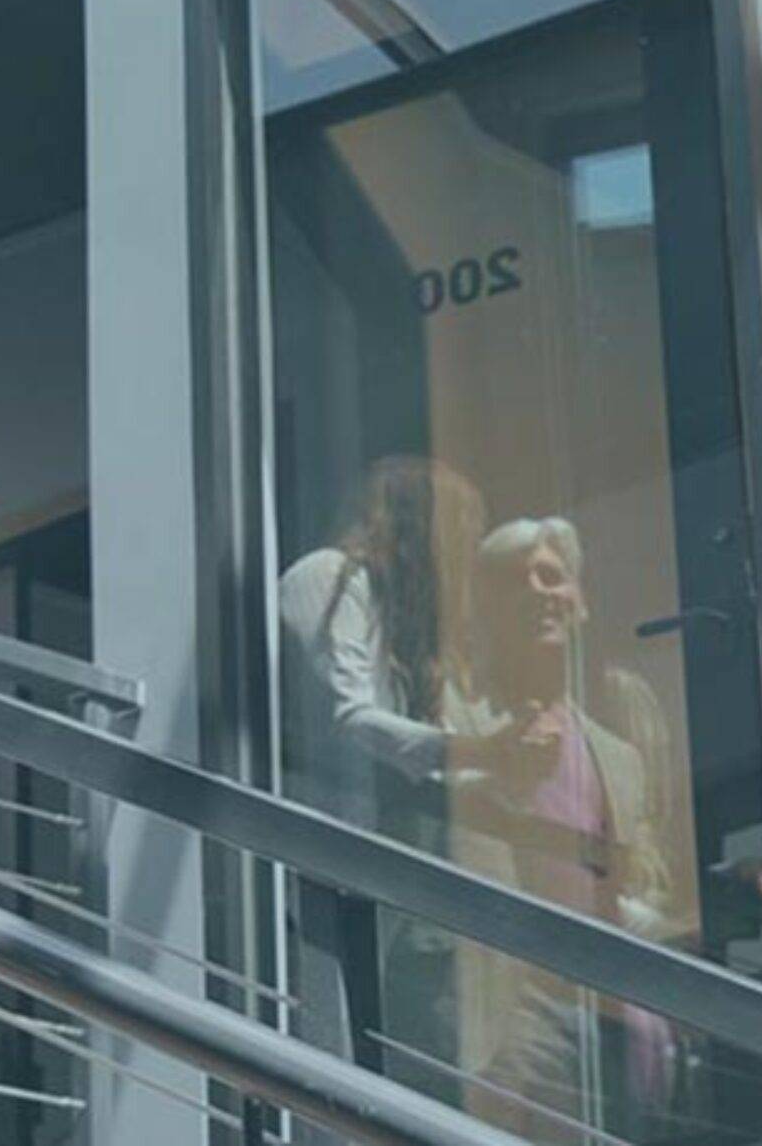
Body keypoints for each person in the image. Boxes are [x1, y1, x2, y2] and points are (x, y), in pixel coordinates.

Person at [279, 458, 553, 1137]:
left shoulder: (397, 619)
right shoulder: (331, 577)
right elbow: (351, 718)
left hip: (394, 888)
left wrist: (499, 776)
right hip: (335, 868)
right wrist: (478, 751)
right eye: (464, 537)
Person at [466, 517, 679, 1143]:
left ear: (580, 602)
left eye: (552, 576)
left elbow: (643, 885)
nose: (538, 591)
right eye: (514, 580)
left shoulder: (620, 757)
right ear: (487, 610)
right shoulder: (461, 724)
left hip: (615, 1018)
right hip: (516, 1013)